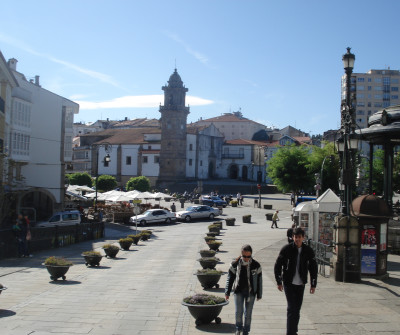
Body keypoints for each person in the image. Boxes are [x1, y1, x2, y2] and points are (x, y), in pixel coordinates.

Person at [274, 227, 318, 335]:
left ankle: (294, 330)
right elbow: (277, 265)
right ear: (292, 237)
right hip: (289, 282)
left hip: (301, 283)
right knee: (291, 308)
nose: (297, 239)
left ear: (303, 238)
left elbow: (313, 268)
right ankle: (290, 332)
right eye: (295, 237)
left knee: (297, 309)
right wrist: (279, 281)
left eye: (299, 237)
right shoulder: (286, 249)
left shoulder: (308, 251)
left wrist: (313, 284)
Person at [225, 244, 262, 335]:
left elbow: (259, 280)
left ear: (251, 255)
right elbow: (230, 278)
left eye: (248, 256)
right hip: (238, 291)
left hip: (251, 292)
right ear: (241, 254)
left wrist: (259, 294)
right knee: (238, 312)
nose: (246, 258)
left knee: (248, 314)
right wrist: (227, 292)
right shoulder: (235, 264)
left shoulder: (256, 265)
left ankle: (246, 331)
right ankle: (238, 328)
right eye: (244, 256)